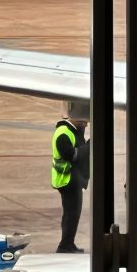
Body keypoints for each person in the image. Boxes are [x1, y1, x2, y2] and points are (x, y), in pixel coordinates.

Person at [50, 108, 89, 254]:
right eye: (84, 122)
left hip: (73, 180)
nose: (86, 125)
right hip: (67, 180)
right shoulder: (63, 133)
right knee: (71, 214)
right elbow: (72, 155)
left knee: (72, 214)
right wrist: (90, 146)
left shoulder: (72, 131)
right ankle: (65, 245)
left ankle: (68, 243)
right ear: (76, 119)